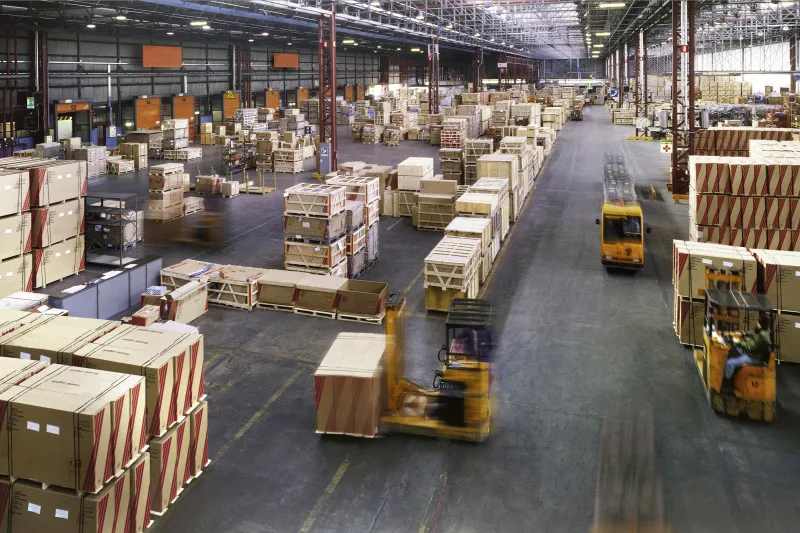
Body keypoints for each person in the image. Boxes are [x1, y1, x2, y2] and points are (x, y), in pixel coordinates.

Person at [724, 319, 771, 385]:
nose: (757, 323)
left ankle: (726, 382)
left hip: (753, 358)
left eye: (758, 322)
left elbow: (749, 347)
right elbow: (754, 333)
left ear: (760, 324)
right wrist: (744, 333)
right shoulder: (764, 331)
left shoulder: (761, 336)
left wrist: (739, 342)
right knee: (734, 350)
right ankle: (731, 374)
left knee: (730, 363)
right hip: (752, 354)